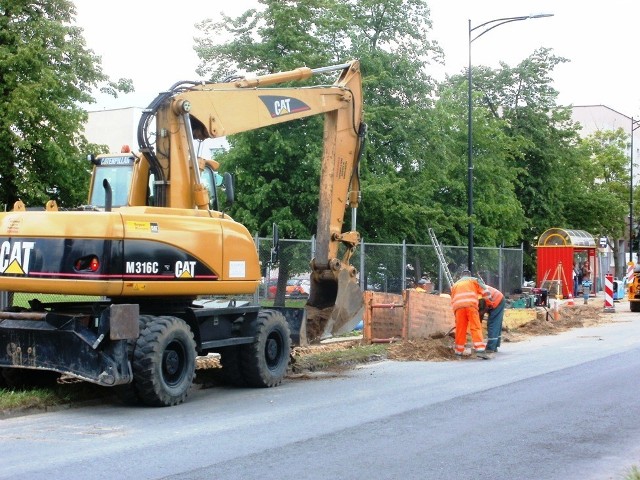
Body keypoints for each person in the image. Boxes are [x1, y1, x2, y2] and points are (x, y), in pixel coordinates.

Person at [450, 270, 492, 359]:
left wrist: (455, 312)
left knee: (460, 329)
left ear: (461, 276)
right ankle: (480, 350)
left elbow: (453, 298)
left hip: (459, 308)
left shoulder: (455, 284)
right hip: (471, 306)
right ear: (469, 275)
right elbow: (486, 292)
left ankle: (458, 353)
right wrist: (489, 303)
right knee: (475, 327)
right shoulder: (474, 280)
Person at [482, 285, 505, 356]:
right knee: (496, 323)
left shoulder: (476, 292)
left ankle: (490, 347)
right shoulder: (475, 287)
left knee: (493, 323)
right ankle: (495, 345)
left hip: (497, 300)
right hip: (498, 297)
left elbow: (482, 307)